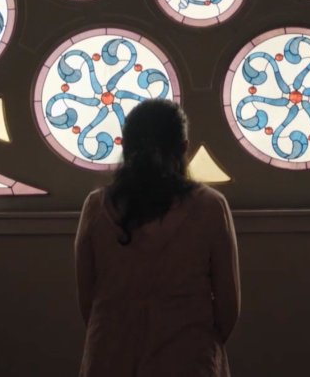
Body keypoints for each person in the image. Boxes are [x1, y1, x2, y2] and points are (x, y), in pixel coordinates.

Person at [75, 99, 240, 377]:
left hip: (110, 358)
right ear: (183, 148)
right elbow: (228, 308)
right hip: (189, 360)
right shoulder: (210, 207)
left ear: (125, 148)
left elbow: (87, 301)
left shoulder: (96, 207)